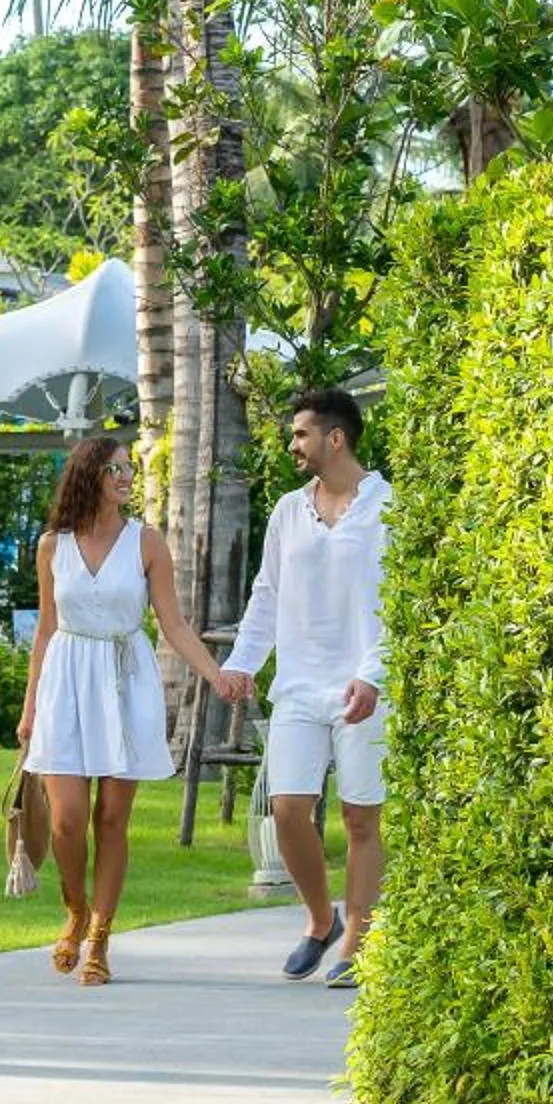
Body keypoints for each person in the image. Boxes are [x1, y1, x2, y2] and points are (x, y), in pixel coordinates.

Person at [16, 436, 250, 986]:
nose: (125, 477)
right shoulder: (52, 546)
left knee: (111, 820)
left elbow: (174, 624)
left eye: (128, 469)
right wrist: (30, 708)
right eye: (114, 469)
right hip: (66, 685)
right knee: (67, 821)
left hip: (125, 684)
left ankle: (100, 936)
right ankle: (75, 909)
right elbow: (45, 631)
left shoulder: (146, 542)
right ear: (89, 475)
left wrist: (216, 674)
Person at [222, 387, 390, 990]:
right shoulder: (288, 511)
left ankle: (357, 941)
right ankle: (321, 919)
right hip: (298, 685)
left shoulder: (387, 507)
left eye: (300, 434)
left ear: (334, 438)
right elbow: (266, 594)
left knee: (361, 818)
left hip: (363, 686)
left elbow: (399, 603)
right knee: (288, 809)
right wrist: (243, 663)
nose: (292, 444)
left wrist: (374, 675)